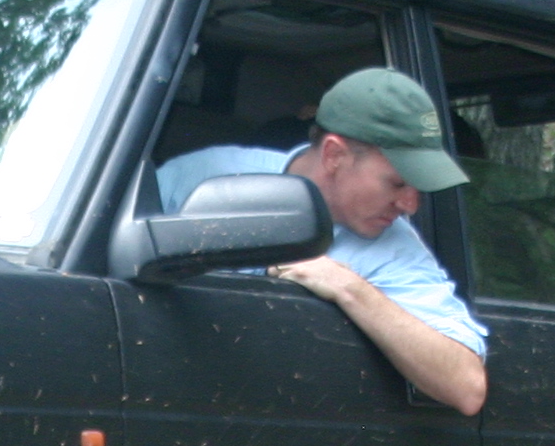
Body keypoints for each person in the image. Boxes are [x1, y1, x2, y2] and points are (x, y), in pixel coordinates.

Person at [153, 67, 490, 415]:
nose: (410, 205)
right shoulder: (204, 174)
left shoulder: (393, 247)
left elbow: (466, 387)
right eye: (397, 183)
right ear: (334, 155)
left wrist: (346, 285)